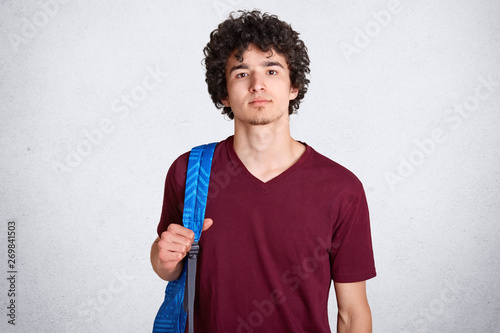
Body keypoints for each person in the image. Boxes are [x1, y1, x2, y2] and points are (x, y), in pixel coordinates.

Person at [151, 10, 376, 332]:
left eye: (271, 70)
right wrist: (163, 259)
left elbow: (353, 314)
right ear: (224, 93)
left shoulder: (341, 188)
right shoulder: (190, 172)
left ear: (293, 86)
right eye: (241, 73)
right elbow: (167, 264)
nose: (257, 85)